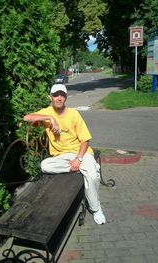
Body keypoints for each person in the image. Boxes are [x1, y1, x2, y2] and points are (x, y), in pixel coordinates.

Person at [23, 84, 106, 225]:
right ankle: (82, 167)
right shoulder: (47, 112)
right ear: (51, 97)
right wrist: (50, 118)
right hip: (61, 157)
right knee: (44, 165)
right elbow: (26, 118)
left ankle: (96, 208)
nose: (59, 98)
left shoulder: (74, 114)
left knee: (92, 176)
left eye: (62, 95)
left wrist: (78, 159)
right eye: (56, 95)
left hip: (80, 152)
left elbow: (86, 140)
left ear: (65, 97)